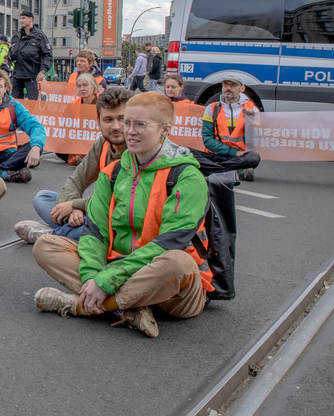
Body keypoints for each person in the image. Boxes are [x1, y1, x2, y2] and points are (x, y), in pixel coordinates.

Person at [32, 91, 212, 338]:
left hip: (170, 289)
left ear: (165, 130)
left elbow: (168, 244)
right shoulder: (114, 171)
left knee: (178, 262)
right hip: (118, 267)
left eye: (141, 125)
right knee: (45, 245)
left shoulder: (188, 177)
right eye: (128, 123)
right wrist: (93, 276)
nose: (129, 131)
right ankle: (129, 307)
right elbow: (95, 233)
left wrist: (104, 282)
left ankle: (83, 306)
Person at [15, 87, 132, 244]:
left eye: (122, 119)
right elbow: (76, 181)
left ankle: (52, 236)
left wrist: (76, 205)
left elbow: (121, 201)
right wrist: (73, 209)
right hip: (94, 211)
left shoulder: (139, 149)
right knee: (42, 198)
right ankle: (72, 232)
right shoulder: (103, 145)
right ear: (98, 122)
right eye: (108, 120)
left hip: (121, 219)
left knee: (101, 226)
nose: (116, 126)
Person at [191, 72, 260, 181]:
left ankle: (212, 170)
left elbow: (254, 140)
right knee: (186, 152)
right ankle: (233, 171)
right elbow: (208, 140)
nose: (228, 88)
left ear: (242, 88)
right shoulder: (212, 108)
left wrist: (250, 121)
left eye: (233, 85)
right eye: (225, 85)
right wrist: (233, 152)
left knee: (254, 157)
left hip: (239, 156)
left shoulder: (252, 109)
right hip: (216, 155)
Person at [7, 10, 52, 100]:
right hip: (17, 75)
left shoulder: (39, 36)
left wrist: (42, 71)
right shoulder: (17, 36)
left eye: (23, 18)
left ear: (31, 19)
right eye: (20, 18)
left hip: (32, 75)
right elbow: (12, 52)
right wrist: (8, 57)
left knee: (33, 102)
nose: (21, 21)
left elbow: (47, 54)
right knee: (15, 102)